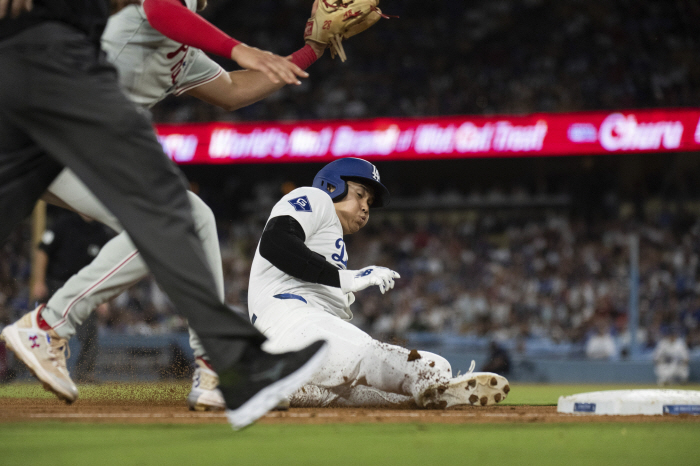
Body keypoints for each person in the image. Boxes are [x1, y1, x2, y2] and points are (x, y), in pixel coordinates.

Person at [0, 0, 327, 430]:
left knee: (188, 217)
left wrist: (311, 51)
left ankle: (214, 368)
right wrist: (241, 48)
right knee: (167, 219)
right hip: (57, 126)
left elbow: (232, 92)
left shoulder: (183, 48)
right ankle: (50, 325)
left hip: (57, 137)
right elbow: (159, 8)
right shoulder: (162, 14)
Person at [248, 158, 510, 408]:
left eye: (370, 202)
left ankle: (271, 382)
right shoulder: (316, 197)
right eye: (360, 194)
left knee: (390, 387)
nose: (365, 207)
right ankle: (433, 382)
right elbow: (276, 242)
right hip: (288, 316)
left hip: (292, 335)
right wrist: (347, 277)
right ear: (331, 186)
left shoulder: (329, 237)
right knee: (386, 360)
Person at [32, 211, 113, 383]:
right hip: (57, 285)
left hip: (84, 290)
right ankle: (41, 371)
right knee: (48, 329)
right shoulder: (63, 223)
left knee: (90, 330)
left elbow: (106, 268)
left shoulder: (101, 232)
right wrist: (38, 281)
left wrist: (103, 299)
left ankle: (84, 374)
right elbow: (43, 251)